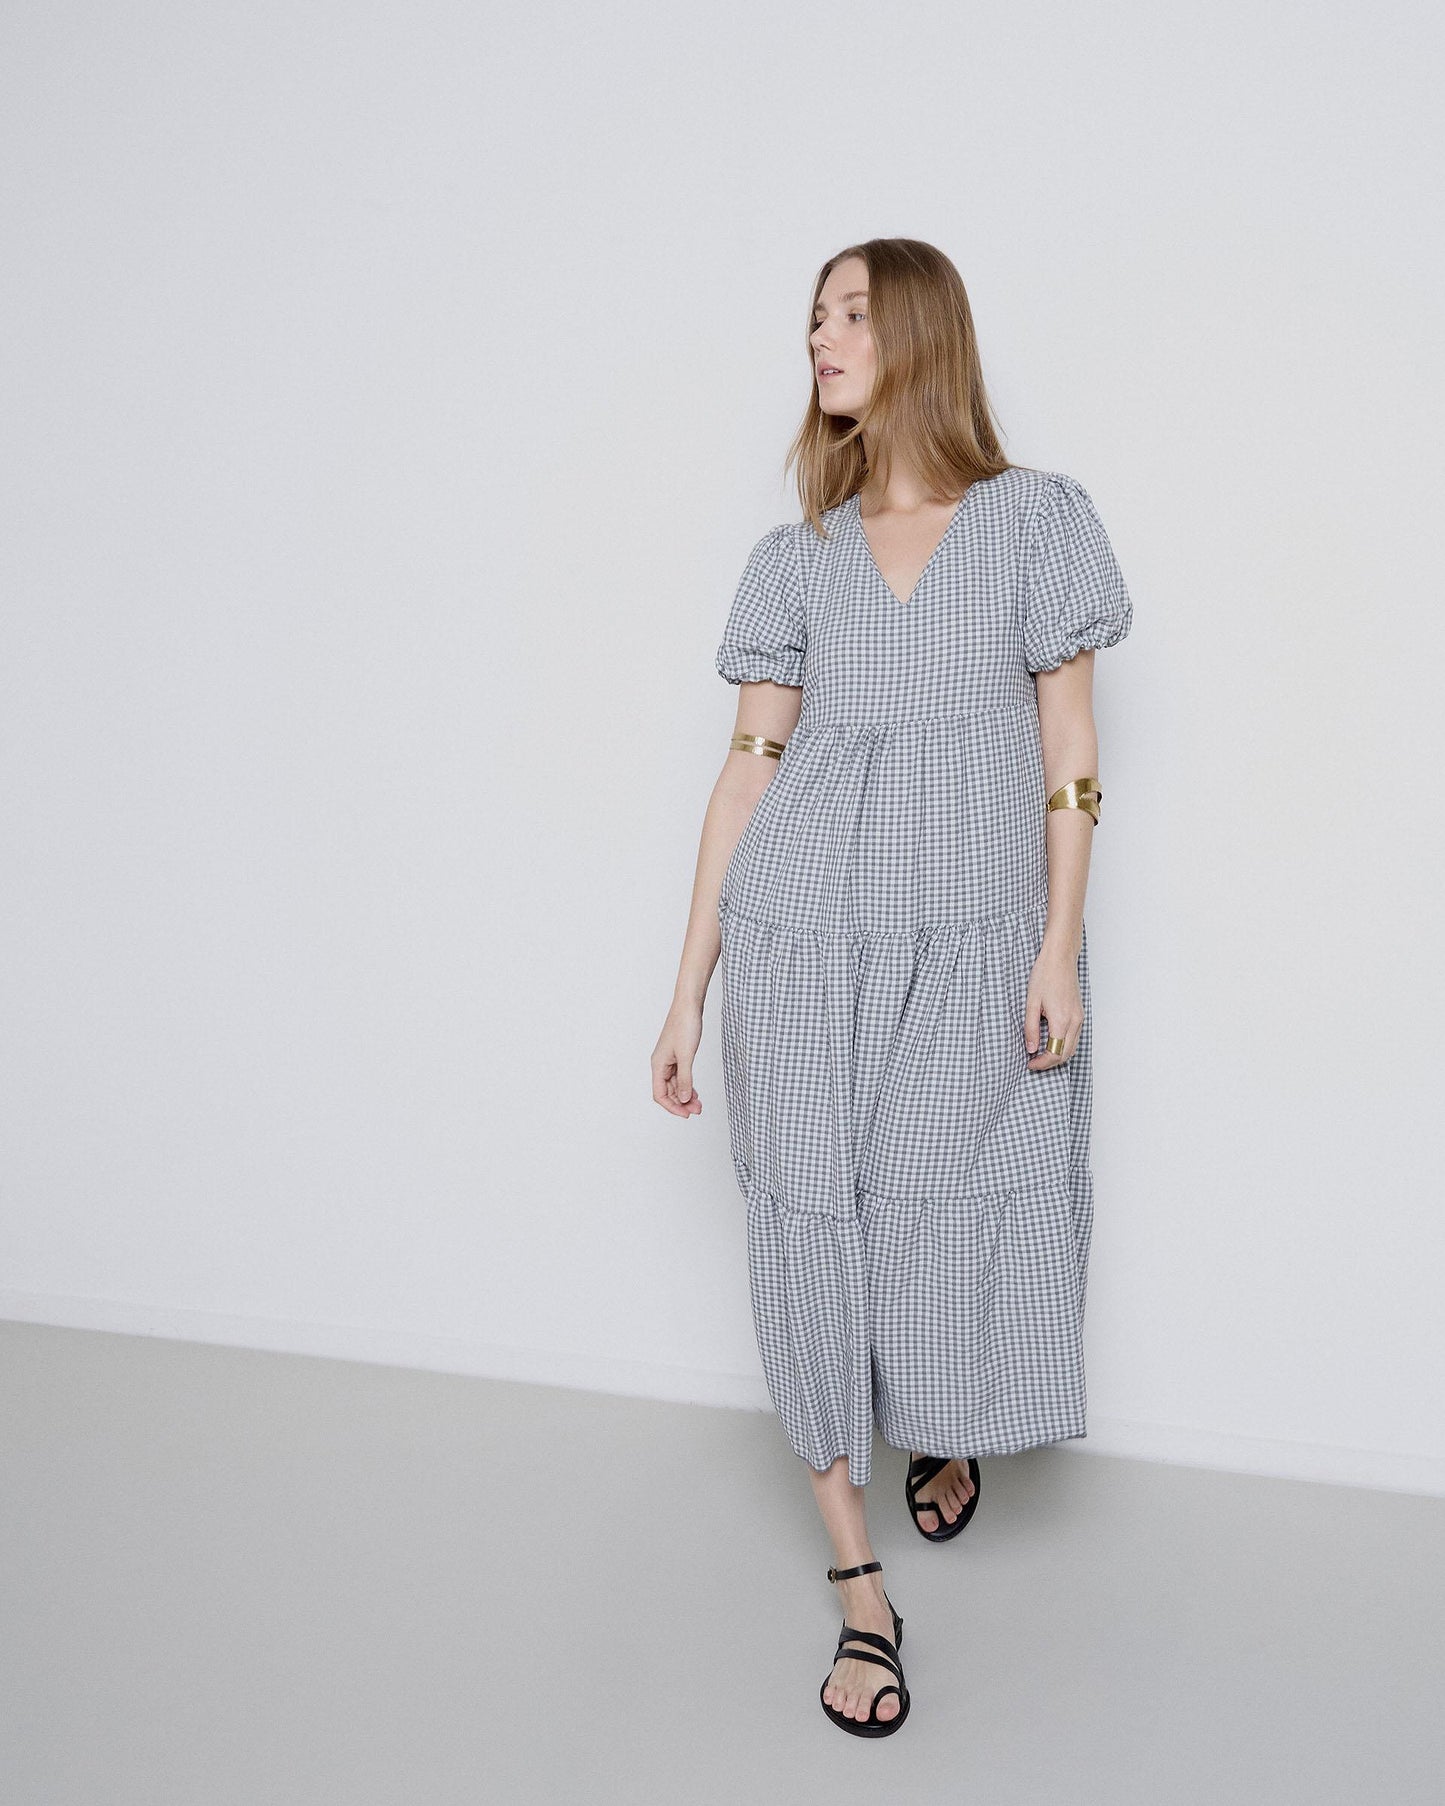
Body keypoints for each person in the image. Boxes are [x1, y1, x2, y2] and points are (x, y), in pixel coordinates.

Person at [650, 237, 1133, 1737]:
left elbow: (1070, 754)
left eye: (850, 312)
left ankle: (943, 1418)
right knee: (806, 1219)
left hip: (971, 943)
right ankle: (861, 1588)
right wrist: (686, 986)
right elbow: (747, 774)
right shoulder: (794, 556)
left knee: (941, 1198)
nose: (820, 337)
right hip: (799, 943)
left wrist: (1056, 946)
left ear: (922, 331)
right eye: (813, 317)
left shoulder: (1036, 522)